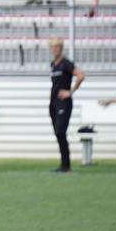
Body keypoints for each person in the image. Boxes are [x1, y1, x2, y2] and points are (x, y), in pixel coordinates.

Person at [48, 37, 85, 173]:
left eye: (57, 46)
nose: (54, 49)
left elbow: (81, 75)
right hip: (53, 103)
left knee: (61, 132)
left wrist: (70, 92)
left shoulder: (66, 63)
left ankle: (66, 166)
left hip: (64, 103)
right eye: (52, 47)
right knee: (58, 134)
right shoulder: (53, 64)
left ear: (61, 48)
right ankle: (63, 165)